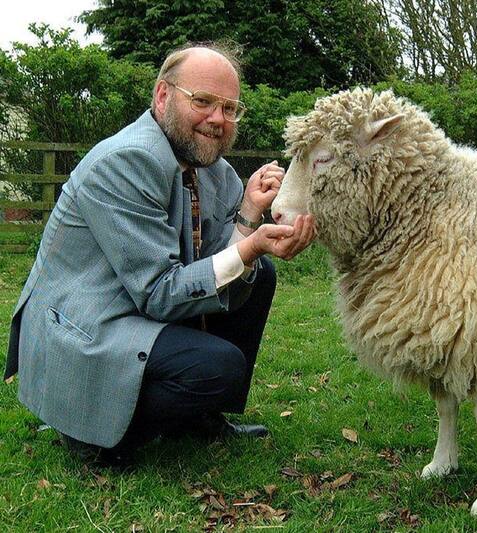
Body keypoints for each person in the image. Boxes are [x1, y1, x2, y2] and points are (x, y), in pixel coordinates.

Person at [3, 43, 315, 466]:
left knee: (258, 274)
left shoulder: (214, 169)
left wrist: (248, 215)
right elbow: (160, 293)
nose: (217, 119)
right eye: (202, 101)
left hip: (137, 306)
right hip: (85, 327)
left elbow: (210, 264)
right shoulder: (125, 161)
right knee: (217, 366)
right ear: (163, 96)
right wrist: (249, 245)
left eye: (229, 108)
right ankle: (93, 435)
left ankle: (199, 417)